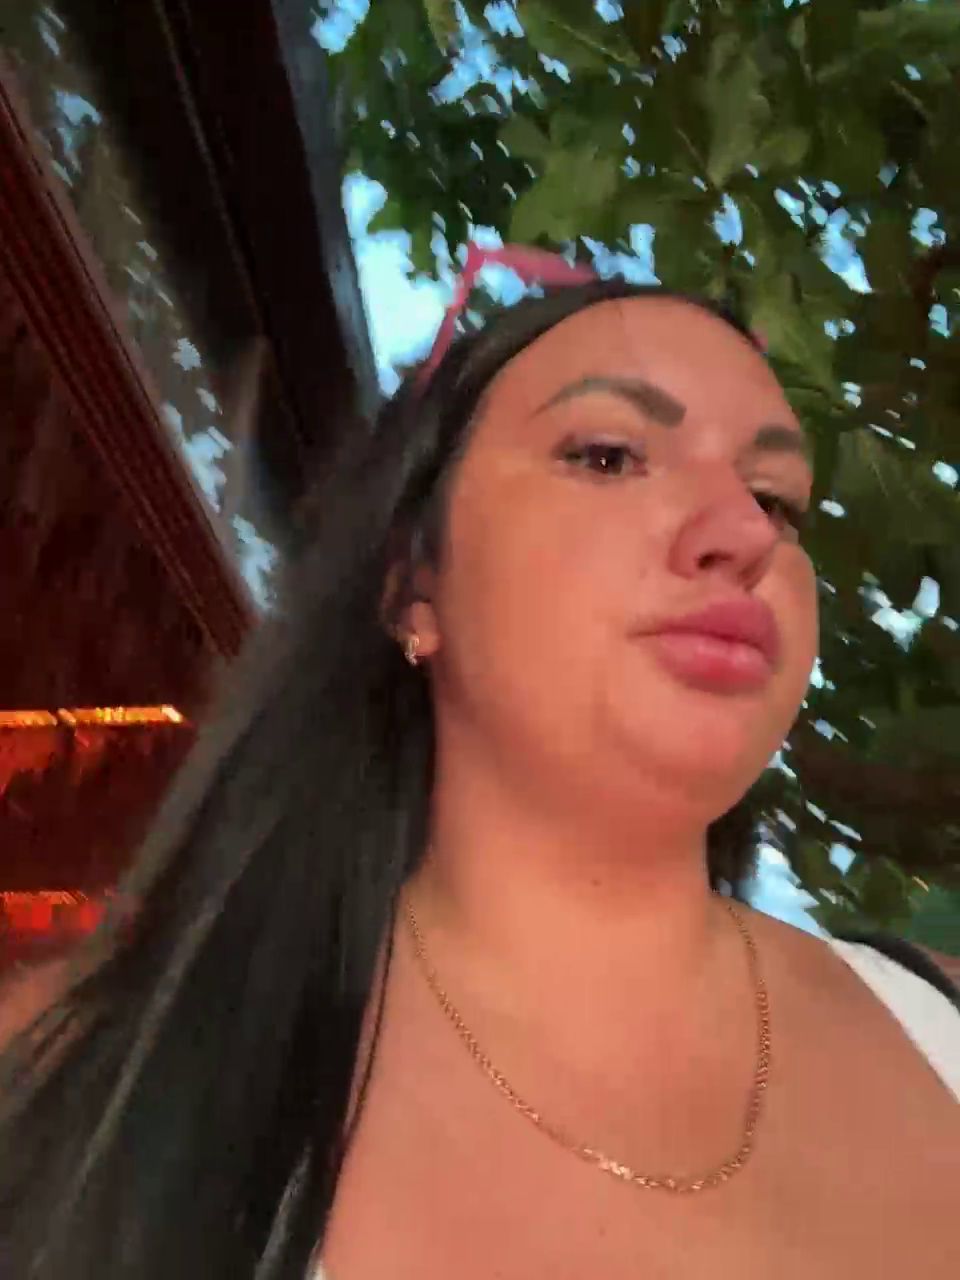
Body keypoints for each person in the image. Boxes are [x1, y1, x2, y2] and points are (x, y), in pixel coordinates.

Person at [1, 248, 958, 1280]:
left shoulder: (938, 1020)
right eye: (607, 454)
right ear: (412, 585)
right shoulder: (74, 1080)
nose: (742, 533)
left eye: (776, 499)